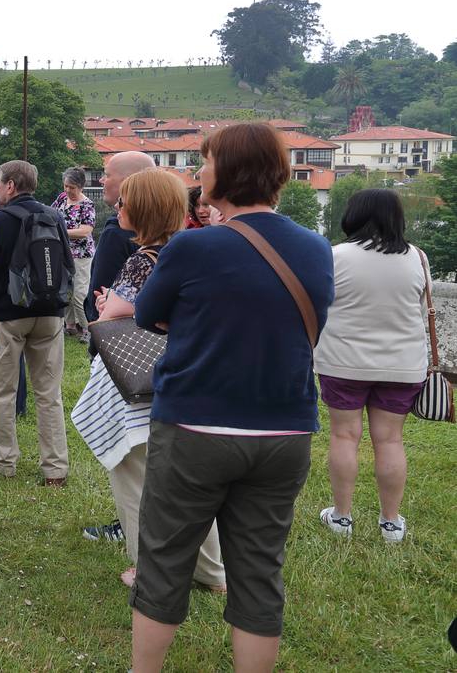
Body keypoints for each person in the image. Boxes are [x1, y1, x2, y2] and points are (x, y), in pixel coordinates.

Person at [129, 123, 333, 673]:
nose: (199, 173)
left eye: (207, 162)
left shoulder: (193, 246)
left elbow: (147, 314)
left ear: (231, 172)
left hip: (195, 425)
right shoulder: (316, 249)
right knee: (260, 572)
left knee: (165, 562)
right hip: (285, 431)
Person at [71, 169, 225, 590]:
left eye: (123, 201)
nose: (117, 207)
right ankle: (212, 572)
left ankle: (147, 571)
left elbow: (111, 318)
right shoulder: (196, 250)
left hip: (139, 386)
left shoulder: (143, 259)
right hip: (188, 378)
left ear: (142, 208)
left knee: (135, 476)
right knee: (190, 484)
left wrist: (105, 304)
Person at [315, 188, 427, 543]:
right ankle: (391, 523)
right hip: (402, 363)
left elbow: (319, 304)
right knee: (391, 440)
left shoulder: (335, 256)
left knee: (344, 435)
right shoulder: (418, 258)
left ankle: (342, 517)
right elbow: (420, 310)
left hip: (343, 362)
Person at [0, 160, 75, 484]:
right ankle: (55, 468)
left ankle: (5, 460)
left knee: (3, 392)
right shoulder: (55, 216)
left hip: (8, 315)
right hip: (50, 313)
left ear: (10, 185)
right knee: (49, 394)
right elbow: (67, 263)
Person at [85, 152, 155, 326]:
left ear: (130, 182)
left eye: (107, 175)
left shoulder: (116, 234)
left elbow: (101, 292)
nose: (101, 180)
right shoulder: (170, 233)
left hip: (118, 335)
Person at [52, 167, 96, 340]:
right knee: (65, 291)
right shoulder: (62, 198)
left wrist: (61, 231)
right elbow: (52, 214)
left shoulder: (87, 205)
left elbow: (85, 231)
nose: (67, 190)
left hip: (81, 255)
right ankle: (69, 325)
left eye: (72, 187)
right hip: (62, 252)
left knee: (79, 294)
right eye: (65, 186)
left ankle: (88, 329)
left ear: (81, 186)